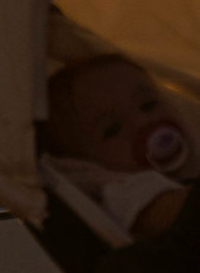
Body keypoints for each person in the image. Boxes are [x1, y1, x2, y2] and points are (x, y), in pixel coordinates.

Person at [42, 53, 198, 239]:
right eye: (112, 130)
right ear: (88, 164)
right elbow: (175, 213)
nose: (142, 122)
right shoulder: (126, 190)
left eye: (149, 105)